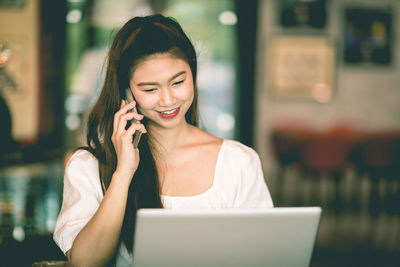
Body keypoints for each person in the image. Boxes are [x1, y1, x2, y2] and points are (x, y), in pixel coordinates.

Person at [53, 14, 273, 267]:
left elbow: (262, 255)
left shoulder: (238, 161)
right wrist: (123, 173)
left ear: (194, 75)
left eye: (178, 82)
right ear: (126, 91)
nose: (168, 100)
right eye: (150, 89)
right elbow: (85, 262)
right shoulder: (90, 166)